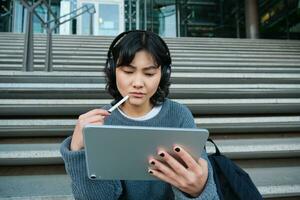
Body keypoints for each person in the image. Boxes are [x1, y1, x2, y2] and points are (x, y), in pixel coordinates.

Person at [60, 30, 219, 200]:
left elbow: (204, 188)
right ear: (113, 70)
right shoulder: (99, 124)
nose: (137, 83)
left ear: (163, 74)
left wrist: (198, 190)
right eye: (128, 71)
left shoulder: (179, 115)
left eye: (149, 73)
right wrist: (77, 153)